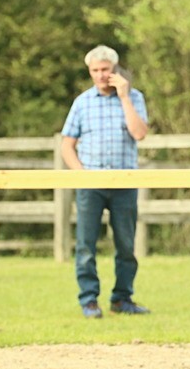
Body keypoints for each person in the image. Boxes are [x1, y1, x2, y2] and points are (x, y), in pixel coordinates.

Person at [61, 45, 150, 319]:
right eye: (95, 71)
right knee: (86, 245)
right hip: (91, 184)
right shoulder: (82, 102)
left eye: (105, 70)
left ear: (115, 70)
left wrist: (124, 96)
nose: (100, 75)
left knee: (125, 244)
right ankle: (89, 301)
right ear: (90, 72)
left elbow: (139, 134)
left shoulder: (134, 97)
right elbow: (67, 146)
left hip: (124, 182)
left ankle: (122, 299)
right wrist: (81, 174)